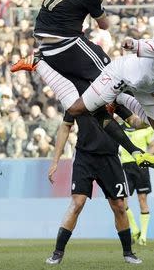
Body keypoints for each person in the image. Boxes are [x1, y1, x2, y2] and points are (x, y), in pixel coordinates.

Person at [0, 0, 154, 168]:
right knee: (114, 75)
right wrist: (98, 6)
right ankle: (133, 117)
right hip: (67, 45)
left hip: (48, 48)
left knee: (94, 104)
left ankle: (136, 152)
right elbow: (104, 25)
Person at [14, 32, 154, 134]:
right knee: (76, 108)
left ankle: (121, 100)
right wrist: (131, 43)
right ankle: (39, 62)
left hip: (149, 87)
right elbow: (145, 44)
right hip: (122, 75)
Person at [46, 109, 142, 265]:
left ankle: (128, 253)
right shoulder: (76, 98)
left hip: (110, 157)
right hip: (85, 156)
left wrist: (148, 120)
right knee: (77, 203)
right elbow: (65, 126)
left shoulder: (113, 92)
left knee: (119, 205)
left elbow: (133, 120)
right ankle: (57, 253)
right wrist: (55, 161)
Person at [120, 124, 154, 246]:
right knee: (122, 201)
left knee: (142, 200)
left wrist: (145, 156)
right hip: (125, 166)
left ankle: (143, 237)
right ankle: (135, 229)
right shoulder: (119, 128)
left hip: (141, 167)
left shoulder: (146, 128)